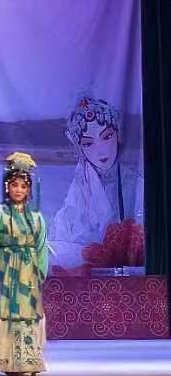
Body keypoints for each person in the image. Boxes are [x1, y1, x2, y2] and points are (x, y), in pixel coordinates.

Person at [50, 97, 144, 271]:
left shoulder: (136, 185)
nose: (101, 151)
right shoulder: (78, 189)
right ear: (80, 148)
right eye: (88, 143)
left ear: (118, 135)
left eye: (107, 136)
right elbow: (61, 246)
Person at [0, 152, 48, 376]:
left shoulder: (36, 217)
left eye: (23, 186)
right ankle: (8, 362)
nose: (18, 190)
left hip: (28, 272)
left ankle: (29, 360)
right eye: (14, 185)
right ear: (7, 187)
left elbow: (41, 247)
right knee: (6, 312)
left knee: (28, 314)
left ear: (29, 190)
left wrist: (40, 272)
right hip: (6, 270)